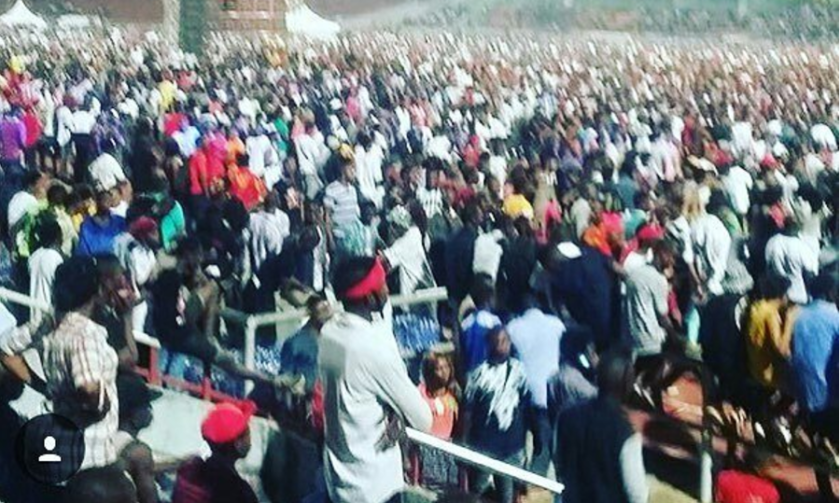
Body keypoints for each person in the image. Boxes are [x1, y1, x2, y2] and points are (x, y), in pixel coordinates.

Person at [318, 256, 432, 503]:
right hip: (374, 488)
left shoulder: (329, 332)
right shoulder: (372, 349)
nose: (388, 290)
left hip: (338, 482)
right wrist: (399, 413)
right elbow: (423, 420)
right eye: (383, 285)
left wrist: (395, 411)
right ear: (370, 298)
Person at [554, 348, 649, 503]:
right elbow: (637, 494)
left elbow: (559, 462)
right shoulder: (626, 432)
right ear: (627, 385)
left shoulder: (566, 416)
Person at [461, 326, 533, 503]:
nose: (500, 346)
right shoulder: (477, 374)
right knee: (475, 492)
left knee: (507, 495)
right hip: (483, 446)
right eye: (496, 341)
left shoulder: (519, 371)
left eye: (504, 341)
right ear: (488, 344)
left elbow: (527, 408)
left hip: (511, 446)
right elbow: (468, 413)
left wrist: (529, 441)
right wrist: (464, 444)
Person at [506, 300, 564, 475]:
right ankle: (538, 479)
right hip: (551, 392)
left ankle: (528, 480)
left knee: (525, 445)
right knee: (546, 444)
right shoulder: (556, 324)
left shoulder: (513, 327)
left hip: (525, 393)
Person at [171, 401, 259, 503]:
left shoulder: (189, 470)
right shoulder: (239, 491)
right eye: (247, 435)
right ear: (237, 443)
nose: (250, 441)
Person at [790, 273, 838, 444]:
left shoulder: (798, 315)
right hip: (826, 394)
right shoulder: (835, 317)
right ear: (830, 293)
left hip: (800, 388)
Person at [279, 294, 333, 392]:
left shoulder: (335, 340)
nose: (325, 306)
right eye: (319, 303)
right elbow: (284, 381)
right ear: (309, 311)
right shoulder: (295, 343)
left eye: (327, 302)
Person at [765, 217, 819, 305]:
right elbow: (811, 272)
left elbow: (768, 267)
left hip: (777, 296)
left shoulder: (772, 242)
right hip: (798, 297)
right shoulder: (800, 246)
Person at [459, 274, 502, 377]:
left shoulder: (465, 323)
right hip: (490, 377)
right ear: (490, 297)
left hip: (471, 377)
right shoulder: (494, 322)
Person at [27, 217, 63, 327]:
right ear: (57, 238)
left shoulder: (33, 257)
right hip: (49, 316)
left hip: (33, 315)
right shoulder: (56, 258)